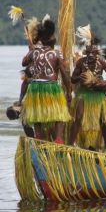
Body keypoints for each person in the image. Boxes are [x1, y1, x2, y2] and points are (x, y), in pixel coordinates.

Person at [20, 14, 72, 144]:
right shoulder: (56, 53)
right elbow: (65, 74)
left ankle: (39, 137)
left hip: (36, 88)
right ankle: (58, 139)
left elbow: (24, 63)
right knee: (60, 114)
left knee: (38, 115)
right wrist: (69, 90)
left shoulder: (35, 52)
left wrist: (31, 51)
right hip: (51, 87)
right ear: (50, 39)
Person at [69, 26, 106, 151]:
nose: (91, 55)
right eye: (89, 53)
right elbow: (72, 78)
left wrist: (105, 83)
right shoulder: (81, 62)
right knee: (79, 116)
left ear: (97, 53)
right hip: (83, 93)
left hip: (98, 93)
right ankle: (70, 144)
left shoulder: (102, 61)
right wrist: (79, 78)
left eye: (93, 53)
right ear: (86, 52)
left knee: (103, 120)